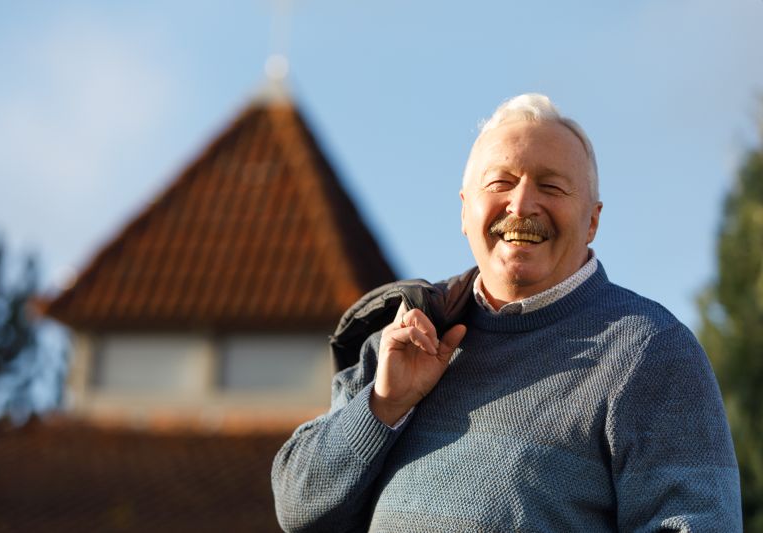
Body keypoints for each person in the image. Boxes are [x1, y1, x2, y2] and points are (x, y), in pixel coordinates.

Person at [271, 94, 742, 532]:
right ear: (464, 211)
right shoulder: (408, 335)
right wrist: (383, 405)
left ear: (592, 220)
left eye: (551, 186)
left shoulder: (650, 352)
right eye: (501, 182)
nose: (521, 204)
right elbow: (298, 509)